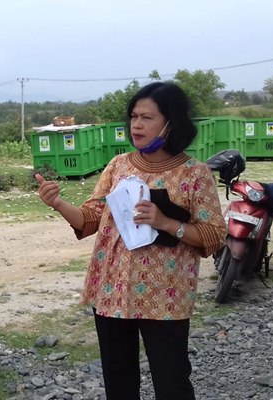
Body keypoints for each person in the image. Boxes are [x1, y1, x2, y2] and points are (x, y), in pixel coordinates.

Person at [35, 81, 227, 400]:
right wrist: (58, 204)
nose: (136, 124)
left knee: (172, 383)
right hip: (112, 292)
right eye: (134, 117)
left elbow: (213, 235)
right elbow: (90, 218)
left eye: (147, 118)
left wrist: (166, 222)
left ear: (171, 123)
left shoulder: (195, 173)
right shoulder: (119, 166)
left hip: (165, 298)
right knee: (119, 382)